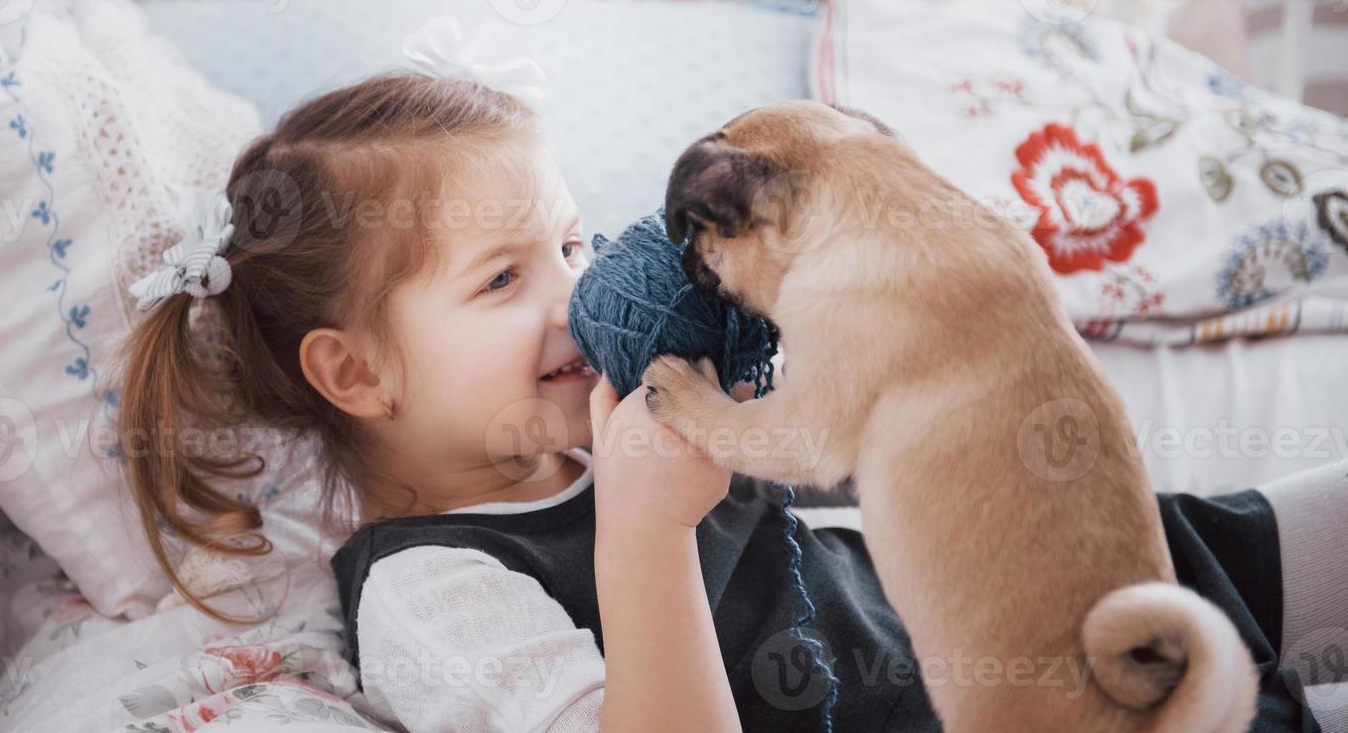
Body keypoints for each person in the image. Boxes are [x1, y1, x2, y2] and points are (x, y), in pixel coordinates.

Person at [119, 72, 1343, 732]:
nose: (574, 292)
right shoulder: (424, 586)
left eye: (570, 241)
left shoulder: (609, 421)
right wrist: (642, 529)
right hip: (983, 702)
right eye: (501, 278)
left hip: (1066, 595)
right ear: (358, 373)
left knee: (1236, 531)